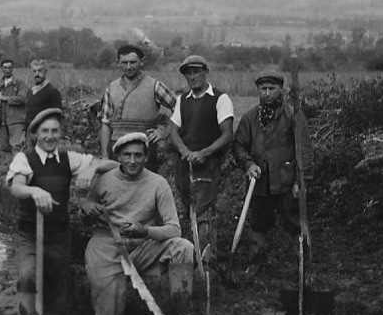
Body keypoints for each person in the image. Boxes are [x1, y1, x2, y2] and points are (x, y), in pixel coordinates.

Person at [80, 132, 209, 315]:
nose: (133, 160)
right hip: (107, 246)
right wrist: (88, 209)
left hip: (142, 245)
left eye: (139, 155)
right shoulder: (103, 179)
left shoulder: (157, 183)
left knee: (183, 247)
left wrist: (144, 231)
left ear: (146, 157)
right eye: (127, 155)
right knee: (107, 312)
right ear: (118, 157)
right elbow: (85, 209)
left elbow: (174, 228)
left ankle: (182, 313)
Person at [5, 108, 116, 315]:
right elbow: (16, 186)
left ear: (60, 133)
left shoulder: (69, 159)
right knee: (29, 277)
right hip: (29, 235)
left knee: (56, 293)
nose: (50, 136)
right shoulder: (25, 158)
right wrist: (33, 190)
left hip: (58, 236)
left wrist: (91, 168)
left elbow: (110, 164)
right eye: (45, 131)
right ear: (35, 135)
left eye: (55, 131)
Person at [232, 69, 313, 270]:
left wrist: (300, 182)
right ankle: (255, 265)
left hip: (287, 183)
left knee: (296, 225)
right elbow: (239, 146)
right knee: (258, 225)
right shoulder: (250, 118)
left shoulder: (293, 115)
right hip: (259, 185)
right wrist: (248, 164)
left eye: (272, 88)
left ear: (281, 90)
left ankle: (304, 268)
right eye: (263, 89)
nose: (267, 93)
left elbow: (304, 151)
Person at [169, 55, 234, 260]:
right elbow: (173, 131)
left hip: (208, 164)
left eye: (197, 71)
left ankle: (207, 259)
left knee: (203, 211)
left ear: (205, 72)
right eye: (189, 73)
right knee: (189, 208)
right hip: (184, 164)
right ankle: (193, 254)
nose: (193, 76)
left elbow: (227, 135)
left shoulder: (220, 98)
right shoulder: (182, 100)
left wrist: (203, 153)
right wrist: (184, 151)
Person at [99, 44, 177, 173]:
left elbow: (179, 108)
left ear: (141, 63)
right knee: (118, 187)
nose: (129, 67)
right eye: (124, 62)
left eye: (133, 62)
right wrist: (105, 156)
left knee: (144, 187)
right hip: (117, 148)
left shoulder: (154, 86)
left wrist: (164, 131)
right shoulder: (111, 88)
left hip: (144, 149)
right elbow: (105, 123)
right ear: (118, 63)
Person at [0, 59, 26, 153]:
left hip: (15, 120)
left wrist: (4, 98)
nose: (7, 70)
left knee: (16, 146)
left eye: (9, 68)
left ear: (13, 69)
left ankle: (19, 167)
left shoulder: (19, 83)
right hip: (1, 121)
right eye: (5, 68)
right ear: (1, 69)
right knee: (5, 147)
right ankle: (9, 167)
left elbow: (22, 99)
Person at [24, 60, 63, 141]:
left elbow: (57, 114)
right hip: (30, 132)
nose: (37, 74)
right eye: (34, 71)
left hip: (45, 133)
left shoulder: (52, 91)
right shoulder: (30, 91)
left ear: (45, 72)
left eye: (40, 71)